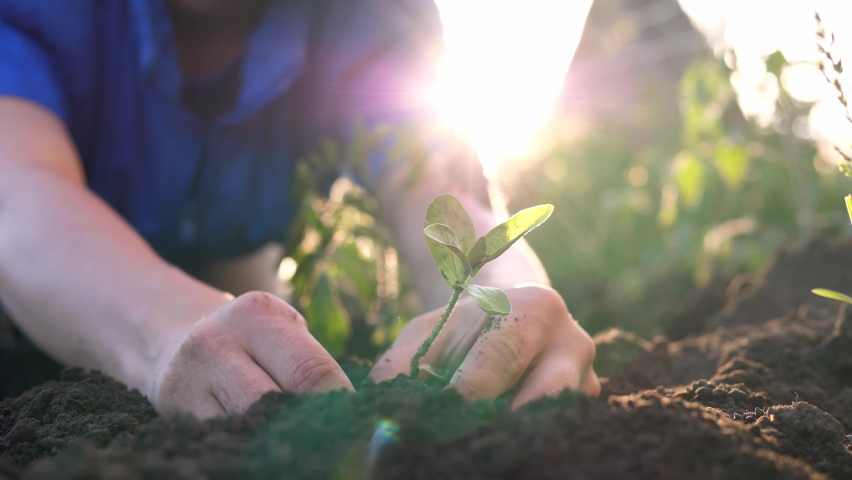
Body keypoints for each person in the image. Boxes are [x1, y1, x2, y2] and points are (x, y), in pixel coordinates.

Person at [0, 0, 599, 418]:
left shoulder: (363, 18)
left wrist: (510, 296)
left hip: (225, 271)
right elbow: (17, 194)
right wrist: (167, 331)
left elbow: (441, 195)